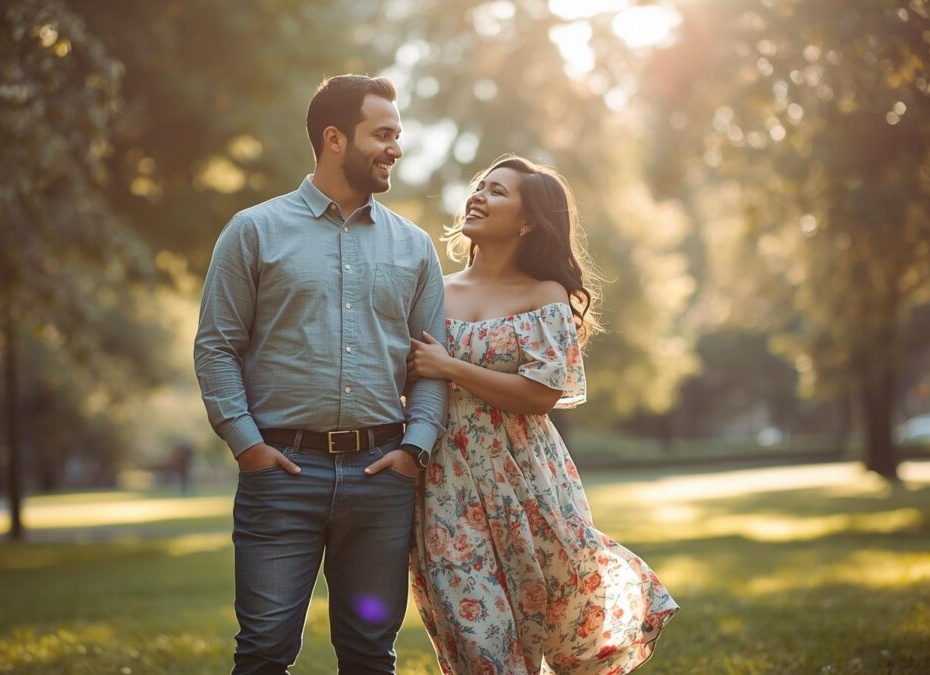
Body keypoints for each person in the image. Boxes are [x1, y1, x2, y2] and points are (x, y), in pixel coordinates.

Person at [194, 74, 448, 675]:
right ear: (334, 138)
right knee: (263, 651)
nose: (396, 147)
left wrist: (416, 447)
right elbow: (216, 347)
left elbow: (431, 363)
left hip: (381, 474)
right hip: (281, 473)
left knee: (369, 656)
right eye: (382, 134)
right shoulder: (253, 231)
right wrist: (246, 443)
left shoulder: (414, 247)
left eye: (398, 134)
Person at [407, 156, 678, 673]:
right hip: (446, 480)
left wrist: (449, 366)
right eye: (479, 187)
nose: (479, 196)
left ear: (528, 220)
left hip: (527, 480)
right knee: (476, 630)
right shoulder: (431, 290)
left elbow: (539, 395)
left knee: (543, 613)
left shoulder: (545, 296)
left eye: (498, 192)